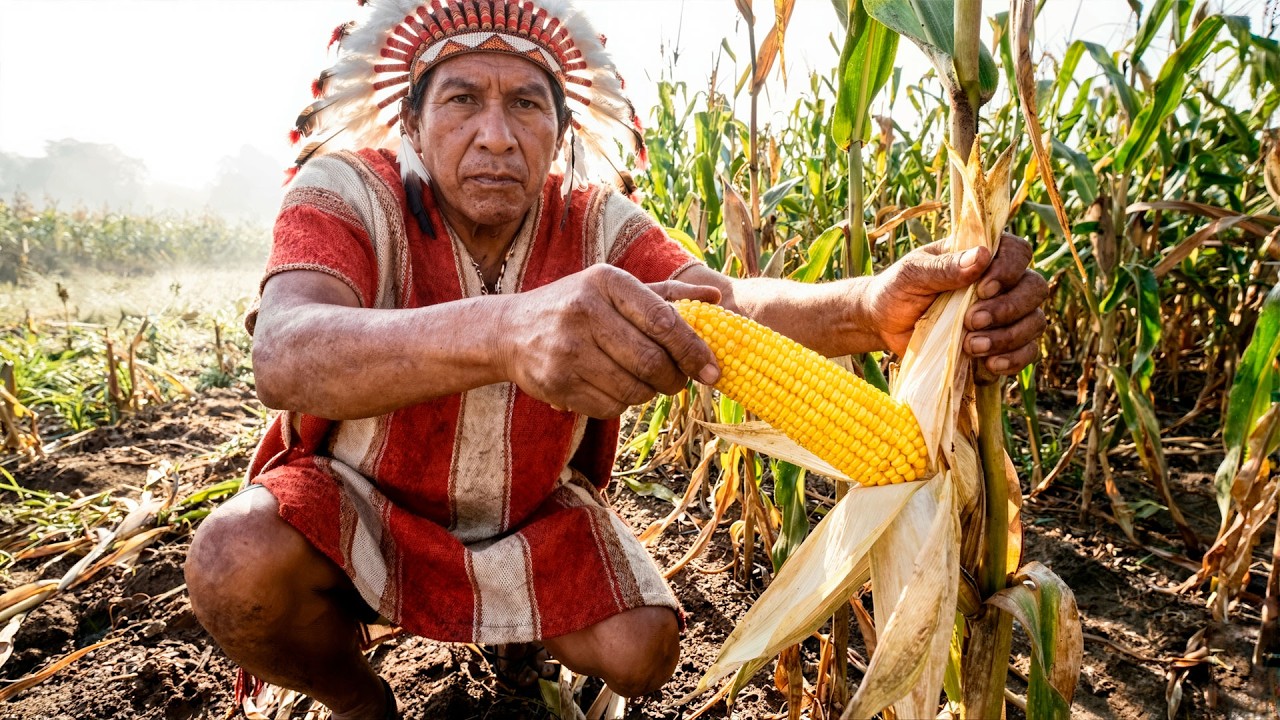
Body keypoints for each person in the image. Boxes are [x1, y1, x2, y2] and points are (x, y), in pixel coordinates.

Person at [183, 1, 1049, 719]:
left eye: (527, 104)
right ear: (412, 120)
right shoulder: (345, 194)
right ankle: (362, 703)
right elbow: (287, 351)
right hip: (360, 505)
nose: (495, 135)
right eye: (461, 101)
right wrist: (506, 331)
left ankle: (520, 645)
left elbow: (724, 307)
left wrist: (870, 307)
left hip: (526, 515)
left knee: (642, 649)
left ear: (559, 133)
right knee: (234, 562)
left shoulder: (594, 222)